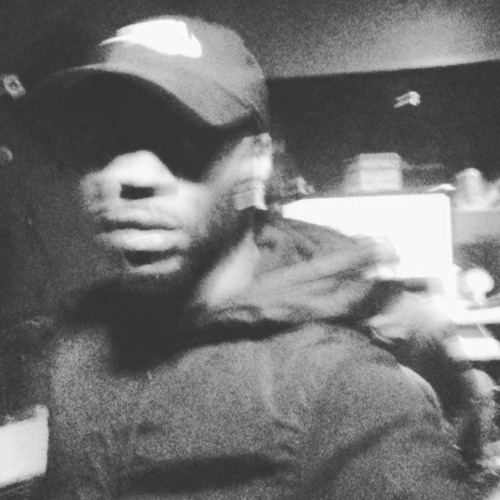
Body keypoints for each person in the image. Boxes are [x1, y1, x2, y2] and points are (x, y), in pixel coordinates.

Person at [12, 14, 500, 499]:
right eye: (101, 140)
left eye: (179, 139)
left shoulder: (348, 393)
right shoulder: (74, 348)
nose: (131, 175)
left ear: (257, 158)